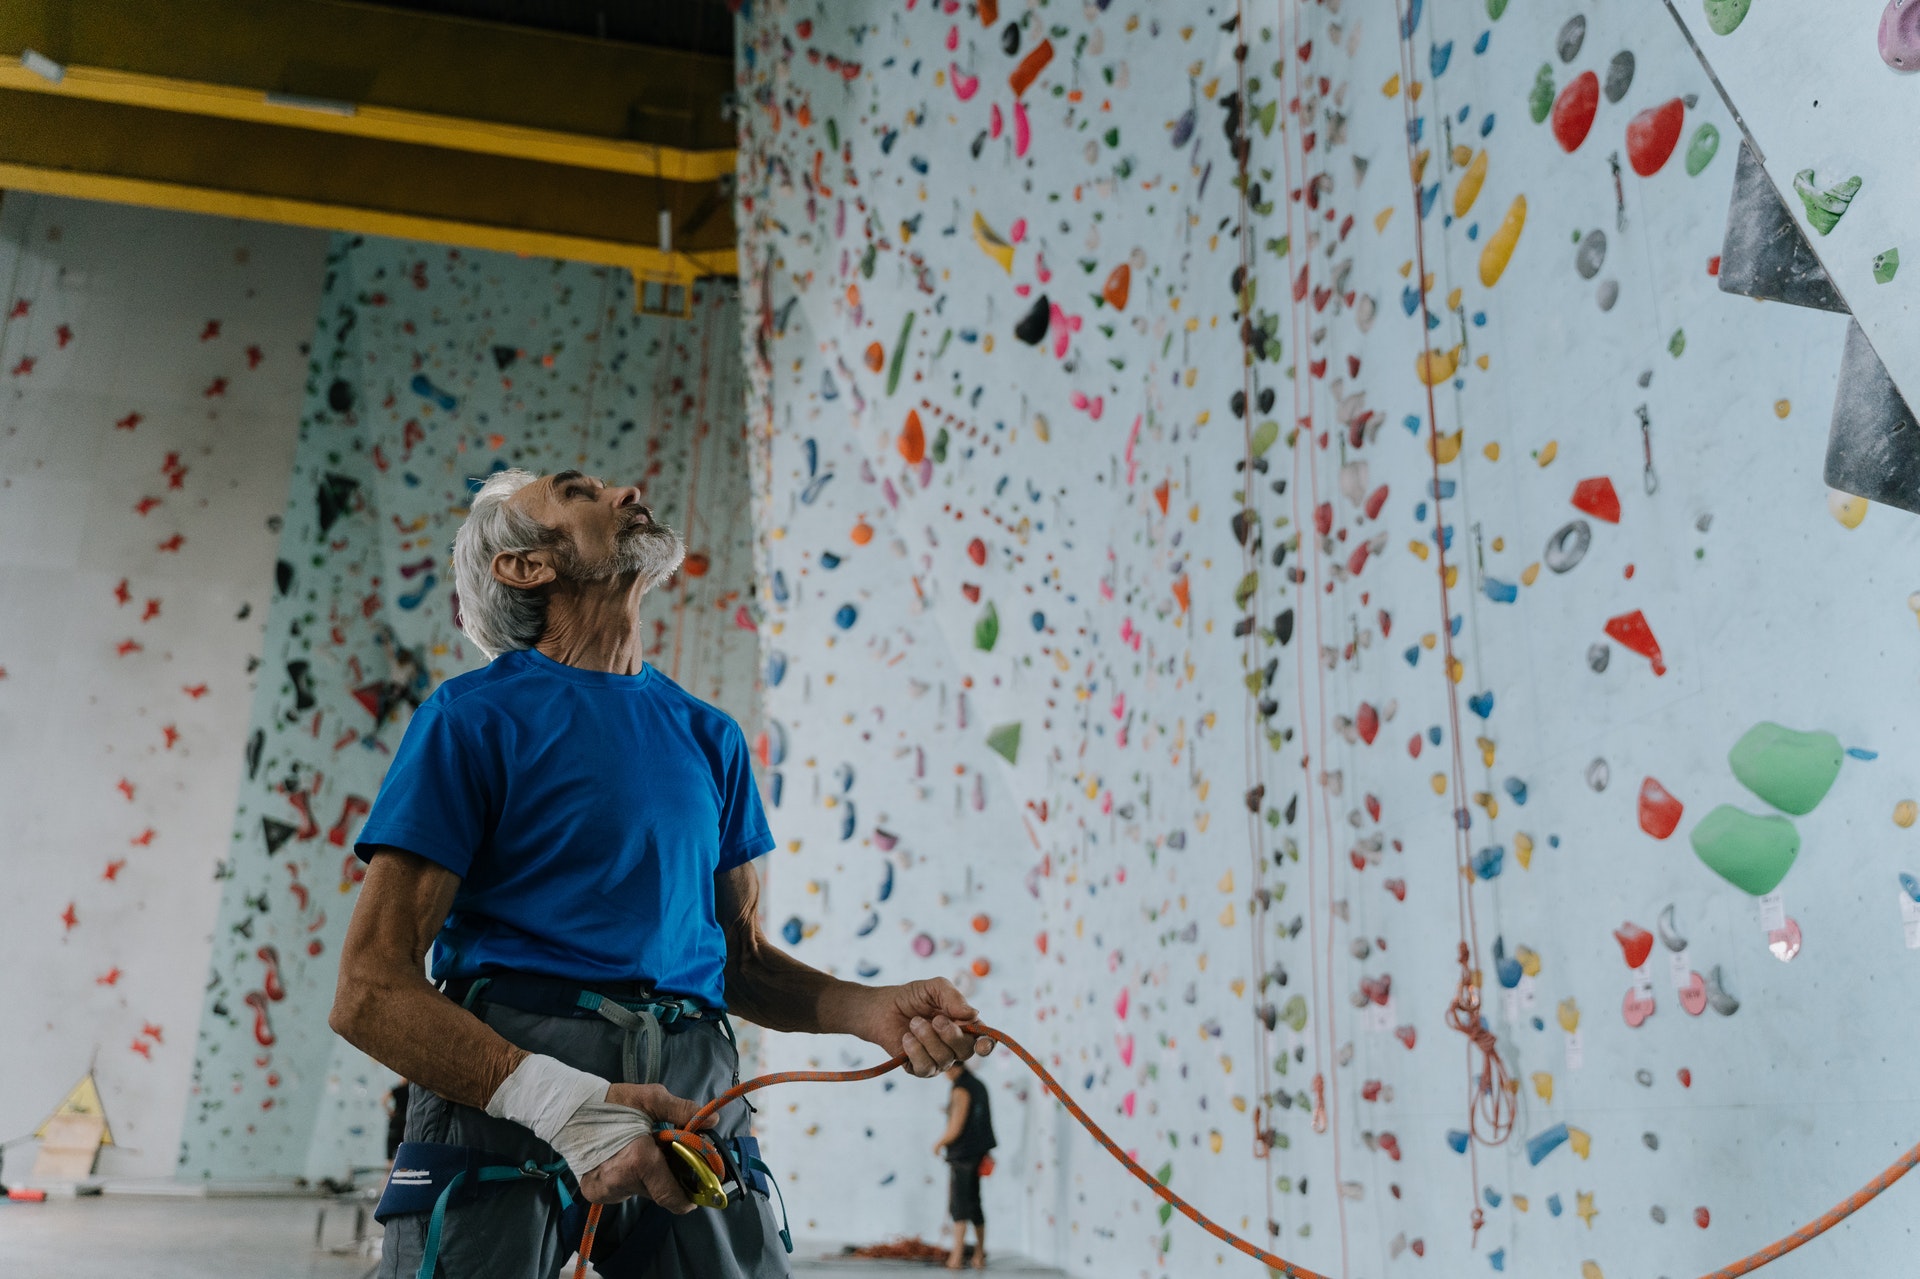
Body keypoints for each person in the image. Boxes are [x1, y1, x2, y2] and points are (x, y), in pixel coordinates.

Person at [328, 469, 992, 1279]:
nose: (627, 488)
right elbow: (368, 988)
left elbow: (738, 960)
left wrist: (871, 1009)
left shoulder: (710, 737)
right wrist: (562, 1105)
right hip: (507, 1092)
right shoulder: (469, 722)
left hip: (695, 1101)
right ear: (528, 565)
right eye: (578, 492)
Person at [933, 1062, 995, 1270]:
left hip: (963, 1154)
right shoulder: (979, 1084)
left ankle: (956, 1256)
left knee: (960, 1205)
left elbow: (956, 1126)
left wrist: (939, 1143)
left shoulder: (961, 1089)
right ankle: (979, 1255)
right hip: (978, 1152)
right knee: (975, 1203)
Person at [384, 1078, 410, 1162]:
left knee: (391, 1148)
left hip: (397, 1120)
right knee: (405, 1148)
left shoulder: (397, 1090)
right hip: (408, 1122)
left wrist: (390, 1112)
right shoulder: (413, 1092)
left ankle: (388, 1170)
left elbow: (383, 1100)